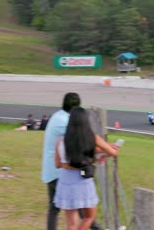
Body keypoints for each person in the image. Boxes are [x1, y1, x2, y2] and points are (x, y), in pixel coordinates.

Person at [41, 93, 105, 230]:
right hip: (61, 171)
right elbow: (83, 143)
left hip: (53, 169)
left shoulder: (58, 116)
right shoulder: (66, 123)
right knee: (80, 209)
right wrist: (107, 149)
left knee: (60, 209)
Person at [54, 106, 119, 230]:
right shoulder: (92, 138)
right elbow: (114, 152)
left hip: (65, 181)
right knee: (89, 216)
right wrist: (105, 154)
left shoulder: (61, 141)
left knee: (71, 224)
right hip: (82, 182)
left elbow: (57, 164)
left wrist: (66, 164)